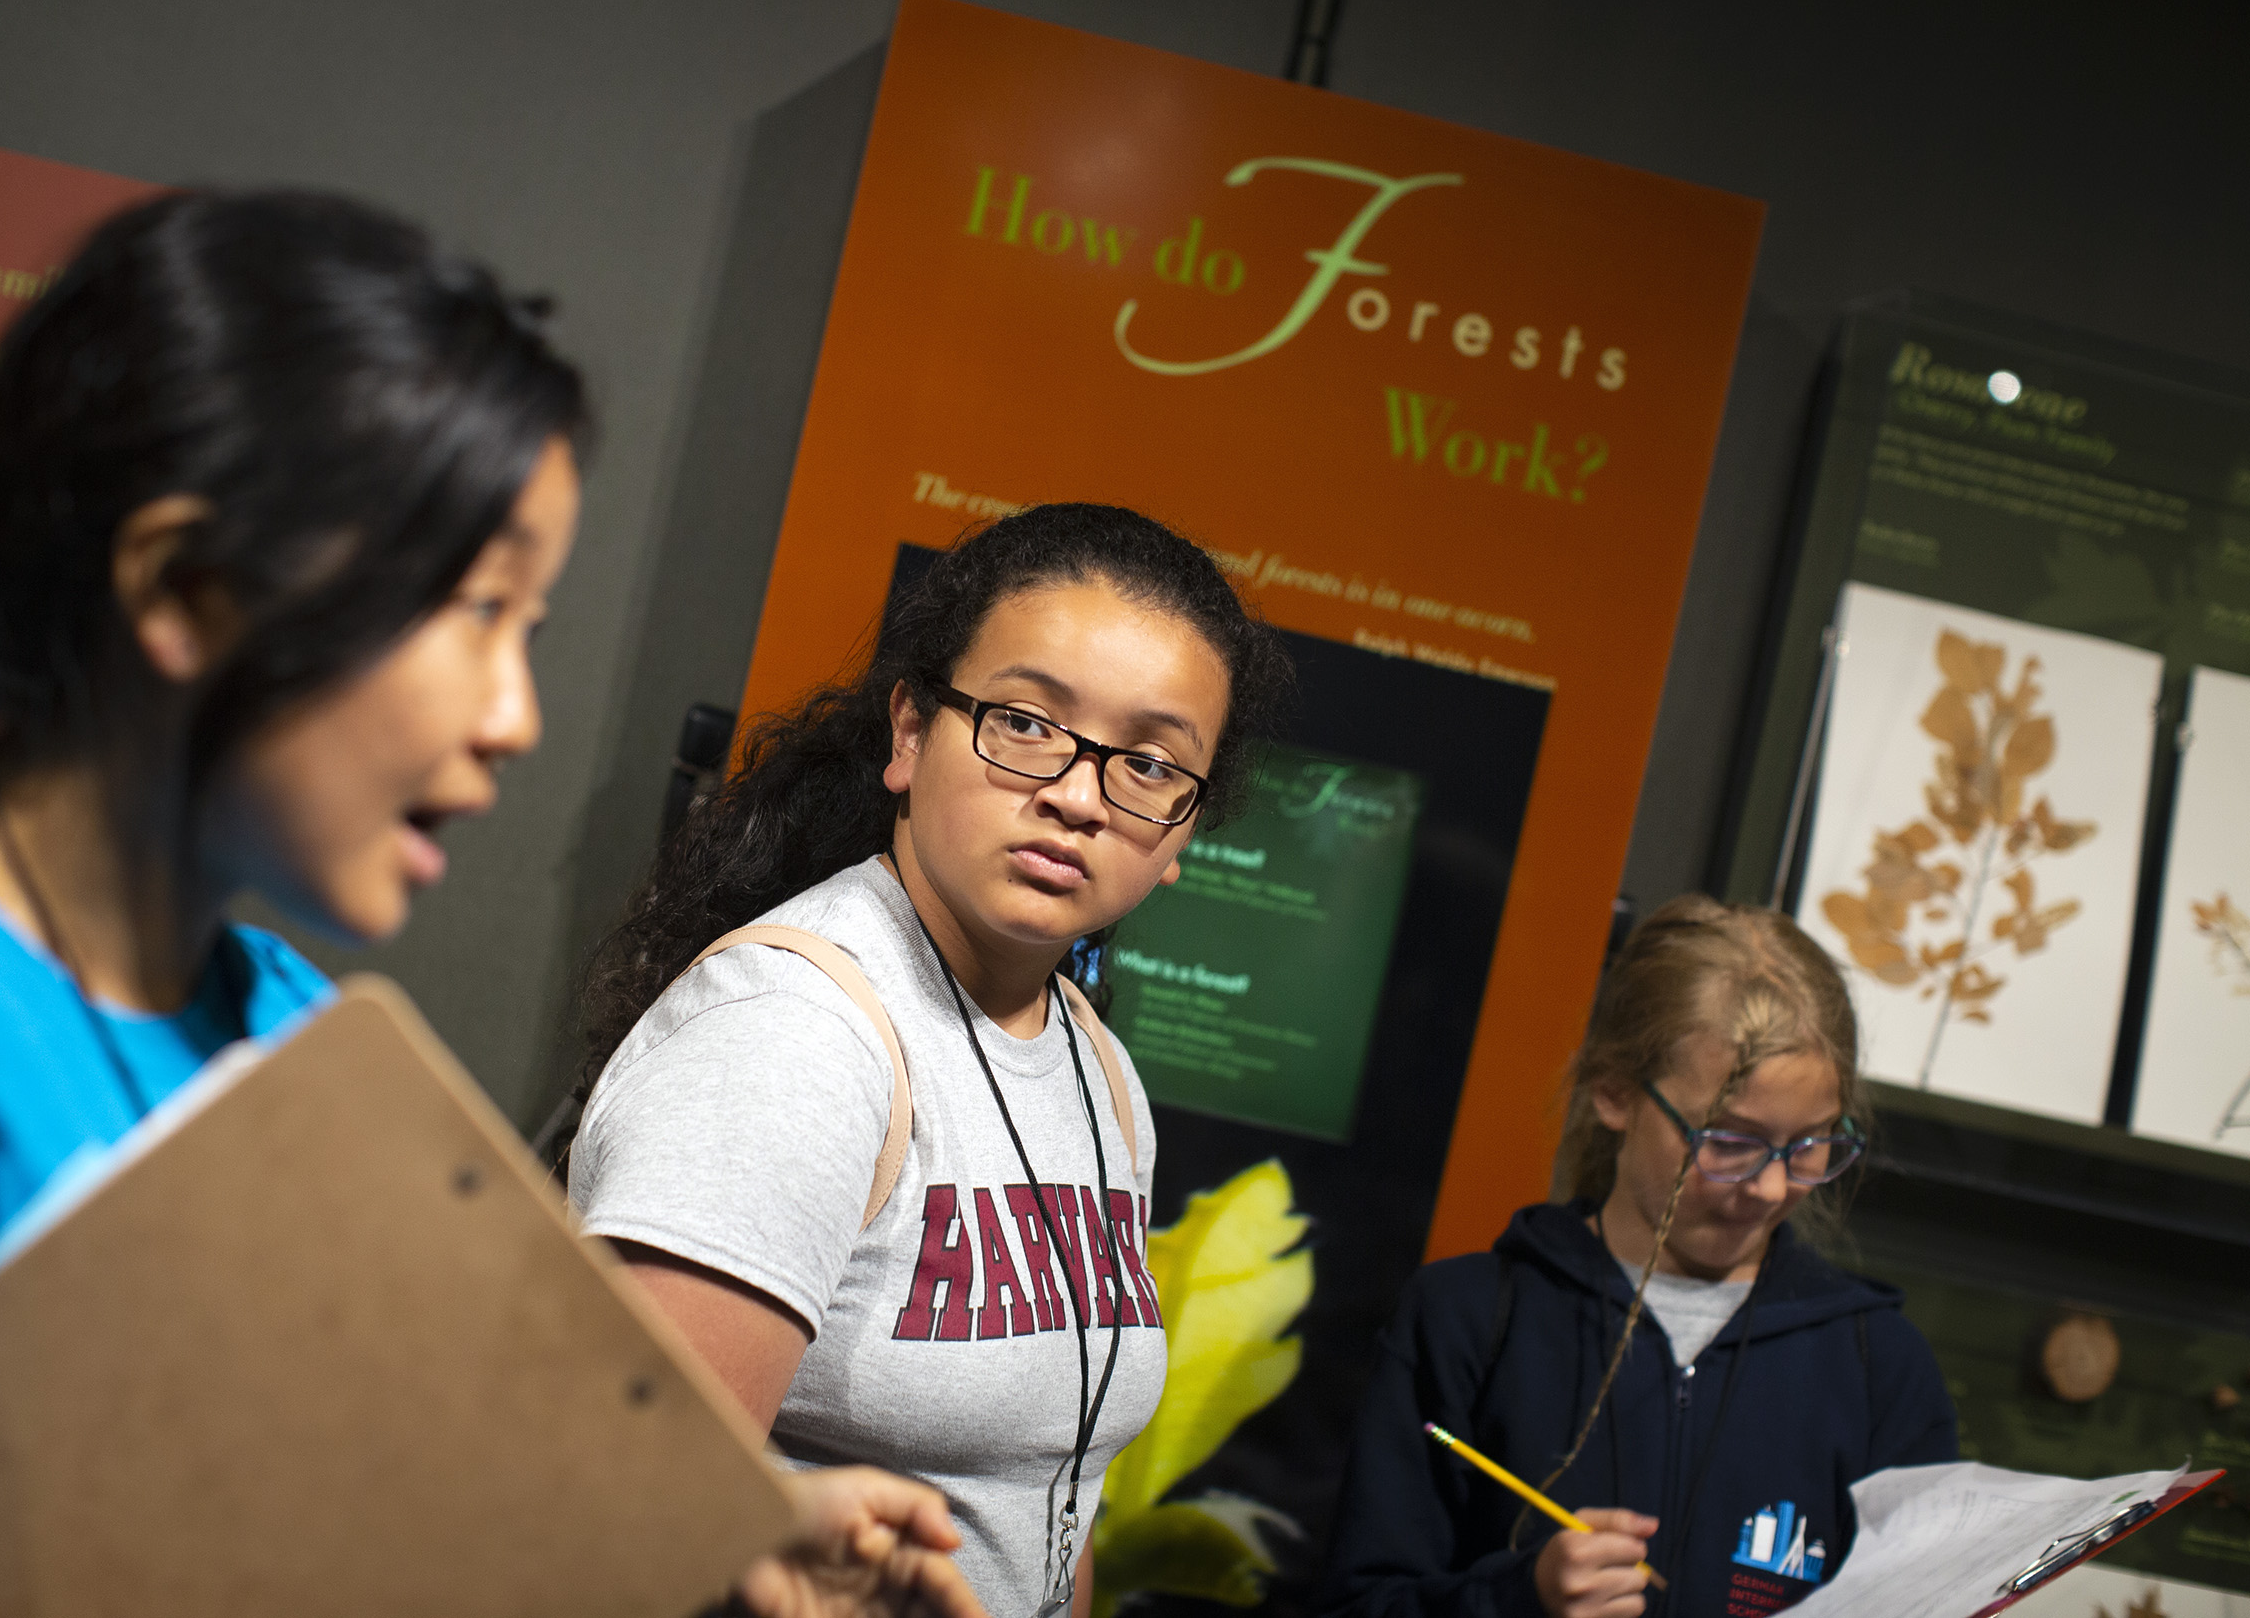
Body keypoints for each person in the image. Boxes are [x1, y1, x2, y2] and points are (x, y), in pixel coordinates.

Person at [0, 189, 977, 1618]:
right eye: (470, 610)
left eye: (533, 628)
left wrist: (694, 1526)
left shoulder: (280, 1012)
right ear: (186, 587)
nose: (515, 715)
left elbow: (336, 1483)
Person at [558, 503, 1295, 1617]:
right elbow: (627, 1516)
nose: (1078, 794)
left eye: (1148, 763)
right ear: (908, 731)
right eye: (1025, 722)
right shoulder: (794, 1035)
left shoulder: (1096, 1070)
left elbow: (1048, 1497)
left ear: (1184, 834)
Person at [1317, 897, 1957, 1618]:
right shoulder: (1470, 1318)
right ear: (1615, 1092)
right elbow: (1360, 1603)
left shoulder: (1880, 1367)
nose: (1773, 1186)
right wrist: (1518, 1598)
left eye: (1810, 1144)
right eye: (1730, 1140)